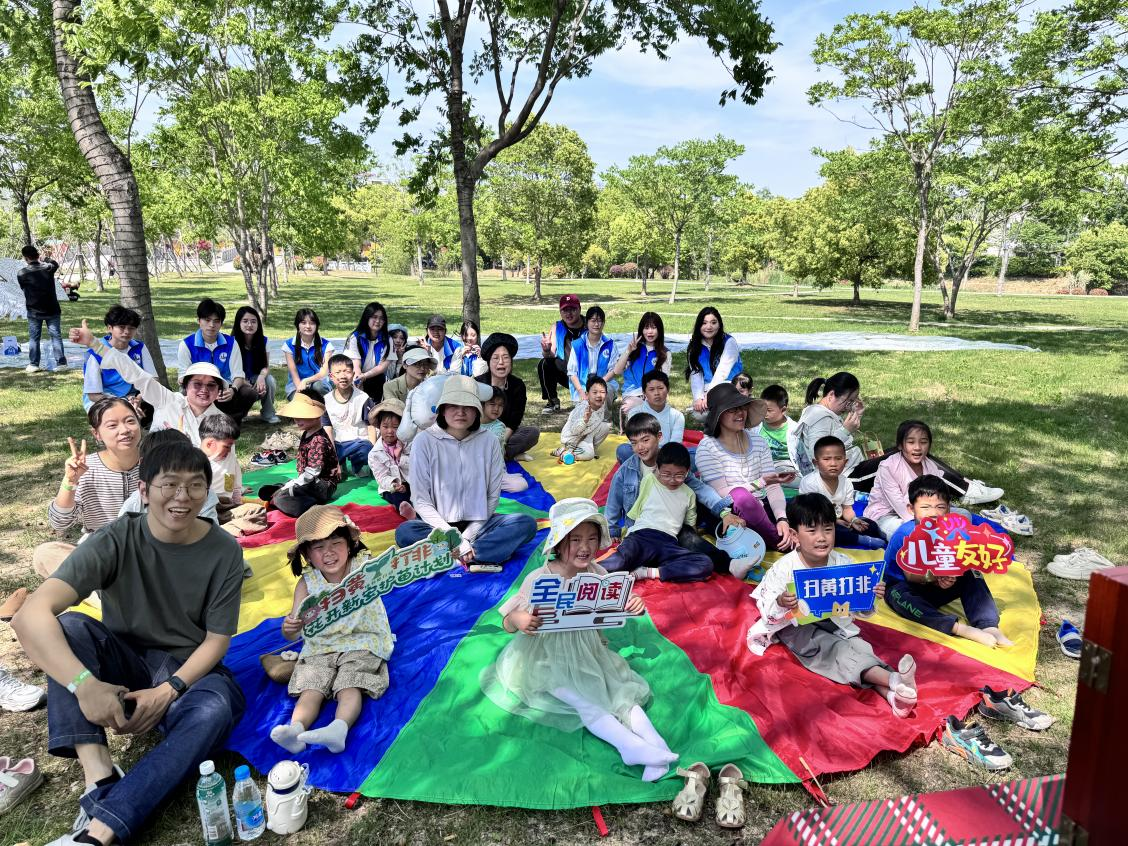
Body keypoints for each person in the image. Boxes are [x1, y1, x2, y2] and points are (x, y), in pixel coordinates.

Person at [11, 439, 245, 846]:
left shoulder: (223, 550)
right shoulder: (116, 538)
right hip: (123, 661)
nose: (182, 496)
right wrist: (84, 684)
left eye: (194, 485)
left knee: (216, 708)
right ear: (144, 490)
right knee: (69, 628)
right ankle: (99, 776)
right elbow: (30, 615)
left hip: (185, 670)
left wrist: (168, 690)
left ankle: (100, 829)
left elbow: (216, 640)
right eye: (169, 484)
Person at [479, 497, 677, 782]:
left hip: (589, 651)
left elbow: (613, 604)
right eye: (575, 539)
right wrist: (518, 619)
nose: (585, 547)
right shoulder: (540, 578)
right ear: (559, 544)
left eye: (592, 539)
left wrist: (631, 604)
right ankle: (629, 746)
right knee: (585, 700)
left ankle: (657, 744)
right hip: (547, 658)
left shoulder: (598, 573)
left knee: (619, 690)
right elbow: (508, 622)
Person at [746, 494, 919, 719]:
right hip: (798, 629)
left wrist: (869, 597)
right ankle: (894, 679)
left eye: (828, 529)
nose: (822, 538)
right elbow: (768, 611)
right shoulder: (784, 568)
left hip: (837, 623)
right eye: (812, 531)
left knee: (860, 647)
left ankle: (894, 697)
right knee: (836, 650)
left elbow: (858, 609)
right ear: (795, 535)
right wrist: (780, 602)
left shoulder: (843, 564)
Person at [271, 507, 395, 755]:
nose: (328, 552)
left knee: (350, 682)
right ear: (307, 554)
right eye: (318, 547)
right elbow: (293, 632)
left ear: (350, 544)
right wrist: (290, 628)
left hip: (363, 640)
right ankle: (296, 730)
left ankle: (338, 729)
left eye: (336, 543)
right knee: (312, 686)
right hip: (322, 645)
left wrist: (437, 553)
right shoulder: (307, 583)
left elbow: (400, 568)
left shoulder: (365, 567)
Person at [395, 376, 538, 571]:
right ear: (442, 409)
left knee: (526, 524)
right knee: (405, 532)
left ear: (477, 410)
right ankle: (477, 555)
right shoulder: (424, 442)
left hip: (479, 525)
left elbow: (492, 497)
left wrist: (466, 537)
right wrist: (453, 538)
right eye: (453, 405)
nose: (460, 412)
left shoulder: (489, 441)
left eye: (467, 406)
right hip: (438, 526)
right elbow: (421, 501)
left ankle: (450, 556)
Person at [607, 413, 745, 576]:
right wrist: (613, 528)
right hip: (644, 527)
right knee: (625, 557)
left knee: (691, 538)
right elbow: (614, 500)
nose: (640, 447)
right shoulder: (627, 470)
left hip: (672, 525)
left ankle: (730, 564)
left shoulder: (673, 463)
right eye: (634, 443)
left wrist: (724, 512)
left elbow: (700, 488)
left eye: (645, 440)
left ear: (659, 437)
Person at [883, 475, 1013, 648]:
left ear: (949, 509)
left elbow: (957, 560)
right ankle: (957, 628)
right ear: (911, 509)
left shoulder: (952, 531)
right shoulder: (906, 534)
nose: (933, 513)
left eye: (940, 507)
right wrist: (936, 577)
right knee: (900, 596)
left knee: (971, 572)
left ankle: (988, 625)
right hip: (906, 586)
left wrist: (950, 576)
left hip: (935, 585)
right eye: (925, 507)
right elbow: (911, 575)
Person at [33, 398, 141, 581]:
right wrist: (70, 481)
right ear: (96, 434)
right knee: (45, 554)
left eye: (130, 421)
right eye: (112, 425)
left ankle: (98, 591)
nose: (124, 430)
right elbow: (60, 523)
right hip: (100, 555)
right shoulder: (86, 468)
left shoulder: (158, 462)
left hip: (146, 553)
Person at [71, 319, 227, 445]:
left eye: (211, 385)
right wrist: (94, 344)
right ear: (185, 386)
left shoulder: (221, 421)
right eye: (197, 384)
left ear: (219, 390)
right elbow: (132, 370)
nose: (204, 390)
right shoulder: (167, 399)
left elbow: (224, 465)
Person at [695, 384, 796, 552]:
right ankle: (781, 543)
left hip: (762, 506)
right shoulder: (707, 448)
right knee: (741, 496)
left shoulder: (758, 441)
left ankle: (792, 534)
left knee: (807, 505)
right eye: (732, 410)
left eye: (742, 407)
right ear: (718, 415)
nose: (740, 413)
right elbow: (724, 493)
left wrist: (782, 519)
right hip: (729, 514)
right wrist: (761, 482)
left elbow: (772, 485)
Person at [864, 421, 1004, 536]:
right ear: (900, 445)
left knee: (964, 515)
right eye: (911, 442)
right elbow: (900, 507)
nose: (917, 447)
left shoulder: (930, 466)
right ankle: (935, 540)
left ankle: (938, 540)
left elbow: (940, 497)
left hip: (926, 512)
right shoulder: (888, 467)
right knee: (908, 532)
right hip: (890, 515)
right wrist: (932, 526)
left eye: (923, 442)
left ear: (929, 445)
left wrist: (940, 516)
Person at [601, 443, 715, 583]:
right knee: (618, 562)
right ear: (658, 469)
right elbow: (635, 509)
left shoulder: (689, 494)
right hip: (641, 537)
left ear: (687, 471)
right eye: (666, 474)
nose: (672, 480)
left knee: (705, 563)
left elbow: (690, 526)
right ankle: (583, 574)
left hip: (668, 543)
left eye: (679, 475)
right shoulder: (650, 480)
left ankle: (648, 572)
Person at [798, 436, 886, 549]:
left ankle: (887, 537)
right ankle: (861, 540)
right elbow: (811, 513)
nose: (833, 463)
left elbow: (847, 509)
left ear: (845, 462)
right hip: (816, 521)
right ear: (816, 462)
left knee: (869, 525)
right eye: (826, 459)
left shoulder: (846, 482)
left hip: (839, 520)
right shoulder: (810, 483)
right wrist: (834, 522)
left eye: (838, 458)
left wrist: (853, 520)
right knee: (829, 532)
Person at [177, 298, 257, 421]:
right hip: (201, 389)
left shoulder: (231, 343)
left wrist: (233, 390)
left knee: (249, 392)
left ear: (221, 323)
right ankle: (197, 420)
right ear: (199, 321)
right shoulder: (186, 344)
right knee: (182, 394)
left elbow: (238, 375)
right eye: (207, 320)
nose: (211, 325)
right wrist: (203, 386)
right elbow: (182, 378)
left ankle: (232, 420)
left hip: (225, 390)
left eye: (216, 321)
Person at [265, 390, 341, 518]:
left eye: (302, 415)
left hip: (322, 486)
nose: (297, 419)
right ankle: (284, 492)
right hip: (310, 481)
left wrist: (290, 486)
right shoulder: (307, 432)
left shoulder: (319, 440)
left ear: (316, 415)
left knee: (283, 497)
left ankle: (306, 504)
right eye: (296, 415)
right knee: (284, 488)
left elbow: (312, 473)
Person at [81, 305, 156, 428]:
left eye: (131, 328)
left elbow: (153, 379)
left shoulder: (139, 347)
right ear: (109, 328)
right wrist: (124, 403)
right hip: (103, 399)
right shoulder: (94, 354)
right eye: (121, 327)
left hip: (133, 396)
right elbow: (93, 395)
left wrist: (139, 398)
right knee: (119, 416)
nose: (126, 331)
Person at [475, 332, 540, 461]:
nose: (501, 362)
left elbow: (514, 421)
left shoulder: (517, 385)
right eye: (495, 358)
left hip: (505, 433)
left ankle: (501, 454)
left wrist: (500, 442)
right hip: (479, 432)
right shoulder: (478, 383)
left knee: (532, 433)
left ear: (511, 361)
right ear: (489, 361)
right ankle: (507, 456)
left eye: (505, 357)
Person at [198, 414, 265, 540]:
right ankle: (217, 529)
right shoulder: (195, 461)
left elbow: (234, 487)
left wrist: (238, 504)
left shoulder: (230, 459)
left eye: (231, 446)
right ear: (210, 444)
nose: (229, 450)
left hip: (225, 508)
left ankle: (222, 529)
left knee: (258, 511)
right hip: (204, 508)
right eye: (227, 446)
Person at [792, 372, 865, 477]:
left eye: (852, 402)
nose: (848, 407)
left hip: (847, 470)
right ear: (831, 395)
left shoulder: (825, 413)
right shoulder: (819, 418)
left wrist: (857, 415)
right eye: (848, 401)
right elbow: (818, 453)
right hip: (840, 478)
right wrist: (845, 431)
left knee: (888, 459)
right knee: (886, 463)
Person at [322, 355, 376, 478]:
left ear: (353, 374)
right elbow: (327, 430)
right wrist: (334, 460)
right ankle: (341, 464)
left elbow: (371, 426)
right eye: (338, 372)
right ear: (331, 376)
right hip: (337, 442)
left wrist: (373, 452)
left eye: (347, 371)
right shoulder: (326, 400)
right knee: (322, 452)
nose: (343, 376)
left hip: (359, 441)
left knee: (367, 449)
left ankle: (358, 466)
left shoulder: (363, 398)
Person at [616, 370, 685, 464]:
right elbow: (634, 442)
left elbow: (675, 444)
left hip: (666, 456)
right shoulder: (635, 412)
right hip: (641, 453)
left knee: (693, 453)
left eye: (660, 388)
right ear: (644, 392)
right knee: (623, 450)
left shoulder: (677, 416)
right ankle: (642, 470)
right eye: (651, 389)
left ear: (668, 389)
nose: (657, 393)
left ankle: (658, 469)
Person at [610, 312, 670, 417]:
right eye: (646, 328)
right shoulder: (635, 349)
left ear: (659, 330)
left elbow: (663, 382)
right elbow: (617, 371)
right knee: (629, 407)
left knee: (646, 410)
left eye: (654, 328)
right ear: (641, 330)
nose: (650, 331)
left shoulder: (665, 353)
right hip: (632, 394)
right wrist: (628, 351)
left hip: (653, 395)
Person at [18, 244, 66, 373]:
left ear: (26, 258)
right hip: (52, 309)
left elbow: (23, 288)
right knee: (56, 336)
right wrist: (46, 259)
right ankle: (61, 363)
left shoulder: (22, 273)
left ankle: (34, 364)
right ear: (37, 255)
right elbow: (55, 263)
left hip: (34, 310)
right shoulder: (48, 268)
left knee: (34, 338)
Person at [685, 307, 743, 415]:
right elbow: (696, 374)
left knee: (719, 410)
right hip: (707, 389)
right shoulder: (694, 346)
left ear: (719, 324)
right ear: (699, 326)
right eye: (704, 323)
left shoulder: (729, 342)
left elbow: (722, 372)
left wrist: (710, 395)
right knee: (699, 414)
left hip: (729, 385)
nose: (709, 327)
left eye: (713, 322)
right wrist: (698, 398)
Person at [537, 293, 586, 413]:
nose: (568, 313)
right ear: (560, 312)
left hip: (588, 372)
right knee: (544, 363)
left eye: (572, 309)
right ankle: (552, 400)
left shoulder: (589, 324)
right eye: (565, 310)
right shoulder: (557, 327)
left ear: (579, 309)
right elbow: (550, 355)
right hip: (568, 372)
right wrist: (546, 350)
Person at [366, 398, 415, 519]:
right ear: (379, 426)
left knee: (420, 493)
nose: (390, 431)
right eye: (385, 426)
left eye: (395, 427)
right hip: (392, 487)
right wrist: (394, 484)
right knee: (397, 496)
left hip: (412, 482)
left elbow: (417, 466)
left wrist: (400, 457)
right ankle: (406, 510)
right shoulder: (375, 453)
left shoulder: (410, 443)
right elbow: (382, 477)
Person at [231, 305, 280, 424]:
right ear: (238, 323)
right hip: (237, 379)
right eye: (245, 321)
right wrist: (242, 381)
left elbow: (265, 366)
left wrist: (261, 377)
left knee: (270, 380)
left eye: (253, 321)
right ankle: (240, 413)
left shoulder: (264, 341)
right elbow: (229, 370)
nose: (250, 325)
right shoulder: (231, 342)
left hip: (255, 378)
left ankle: (268, 414)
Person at [481, 388, 530, 493]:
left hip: (494, 472)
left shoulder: (499, 426)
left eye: (500, 405)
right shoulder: (472, 422)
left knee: (521, 485)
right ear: (482, 405)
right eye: (492, 404)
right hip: (472, 471)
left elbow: (490, 445)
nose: (496, 408)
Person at [566, 306, 618, 405]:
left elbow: (613, 370)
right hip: (583, 387)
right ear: (587, 322)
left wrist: (599, 385)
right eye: (593, 320)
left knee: (601, 400)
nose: (597, 324)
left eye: (600, 321)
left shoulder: (610, 345)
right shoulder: (577, 345)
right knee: (585, 408)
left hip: (604, 384)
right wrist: (581, 391)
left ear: (604, 323)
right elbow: (572, 372)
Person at [343, 301, 393, 401]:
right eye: (374, 317)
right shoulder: (355, 338)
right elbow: (355, 364)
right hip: (356, 374)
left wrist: (365, 376)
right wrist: (359, 379)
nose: (378, 321)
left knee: (379, 380)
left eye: (381, 318)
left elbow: (383, 366)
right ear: (367, 318)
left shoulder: (388, 340)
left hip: (375, 376)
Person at [555, 375, 612, 462]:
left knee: (605, 426)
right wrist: (584, 420)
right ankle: (566, 452)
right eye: (595, 392)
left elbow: (596, 423)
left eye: (602, 392)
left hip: (586, 434)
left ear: (606, 394)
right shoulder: (582, 409)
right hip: (572, 439)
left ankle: (589, 449)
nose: (599, 395)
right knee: (589, 454)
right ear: (587, 394)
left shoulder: (601, 404)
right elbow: (574, 431)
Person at [753, 384, 798, 493]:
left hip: (785, 466)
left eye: (769, 410)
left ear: (783, 410)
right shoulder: (756, 426)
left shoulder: (794, 429)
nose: (764, 413)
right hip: (762, 466)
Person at [283, 308, 334, 399]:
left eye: (312, 323)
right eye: (303, 323)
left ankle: (326, 405)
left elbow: (323, 373)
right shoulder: (289, 345)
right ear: (297, 325)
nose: (308, 326)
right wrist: (301, 390)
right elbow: (294, 373)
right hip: (296, 384)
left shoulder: (326, 345)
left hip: (319, 382)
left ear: (317, 325)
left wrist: (306, 381)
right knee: (302, 403)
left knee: (319, 387)